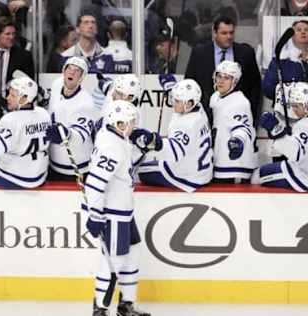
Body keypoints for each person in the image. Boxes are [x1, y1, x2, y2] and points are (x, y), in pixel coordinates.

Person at [83, 99, 149, 316]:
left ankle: (126, 304)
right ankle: (100, 309)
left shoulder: (117, 139)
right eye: (130, 122)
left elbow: (125, 170)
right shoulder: (111, 146)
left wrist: (142, 149)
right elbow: (95, 183)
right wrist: (95, 215)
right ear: (118, 123)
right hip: (112, 214)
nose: (133, 126)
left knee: (132, 254)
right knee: (113, 262)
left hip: (124, 212)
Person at [137, 79, 213, 193]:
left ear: (189, 104)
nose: (173, 103)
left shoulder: (186, 124)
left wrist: (154, 142)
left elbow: (174, 152)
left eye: (177, 101)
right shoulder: (199, 110)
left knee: (140, 170)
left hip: (188, 177)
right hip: (204, 172)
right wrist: (171, 87)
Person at [185, 15, 261, 125]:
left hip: (238, 118)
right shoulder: (199, 53)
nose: (229, 37)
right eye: (224, 33)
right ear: (214, 33)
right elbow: (190, 83)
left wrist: (251, 116)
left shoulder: (246, 53)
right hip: (205, 119)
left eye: (231, 32)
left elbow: (255, 87)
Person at [45, 56, 99, 181]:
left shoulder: (86, 103)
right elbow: (54, 107)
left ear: (81, 77)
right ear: (63, 71)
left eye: (77, 71)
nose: (72, 72)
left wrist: (66, 135)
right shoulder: (57, 85)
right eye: (69, 68)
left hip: (78, 169)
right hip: (53, 165)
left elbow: (80, 136)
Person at [253, 82, 308, 192]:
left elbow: (295, 153)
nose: (294, 110)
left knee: (257, 176)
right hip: (302, 170)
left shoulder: (304, 124)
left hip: (302, 177)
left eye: (297, 106)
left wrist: (275, 129)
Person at [210, 60, 258, 182]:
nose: (220, 81)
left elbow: (244, 128)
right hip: (219, 162)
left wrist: (238, 141)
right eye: (219, 76)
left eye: (226, 78)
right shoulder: (215, 97)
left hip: (235, 167)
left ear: (235, 81)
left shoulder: (240, 102)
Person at [263, 21, 308, 101]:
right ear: (292, 36)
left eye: (306, 30)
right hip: (286, 108)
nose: (303, 32)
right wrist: (290, 91)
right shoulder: (281, 59)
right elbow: (267, 88)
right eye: (299, 30)